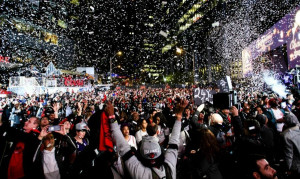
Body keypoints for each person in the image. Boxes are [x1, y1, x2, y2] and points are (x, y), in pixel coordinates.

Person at [107, 99, 188, 179]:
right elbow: (174, 141)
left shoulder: (140, 174)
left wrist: (111, 117)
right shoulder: (169, 167)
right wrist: (179, 116)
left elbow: (123, 148)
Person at [281, 113, 300, 178]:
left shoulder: (286, 136)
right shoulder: (298, 129)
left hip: (296, 166)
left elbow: (289, 154)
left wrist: (288, 169)